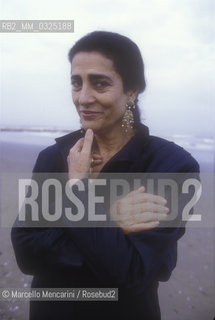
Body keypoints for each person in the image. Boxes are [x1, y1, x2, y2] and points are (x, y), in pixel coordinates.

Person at [11, 31, 199, 320]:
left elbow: (131, 270)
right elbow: (26, 252)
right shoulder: (55, 156)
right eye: (76, 83)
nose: (83, 98)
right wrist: (110, 216)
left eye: (100, 83)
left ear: (132, 89)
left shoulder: (171, 166)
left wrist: (76, 189)